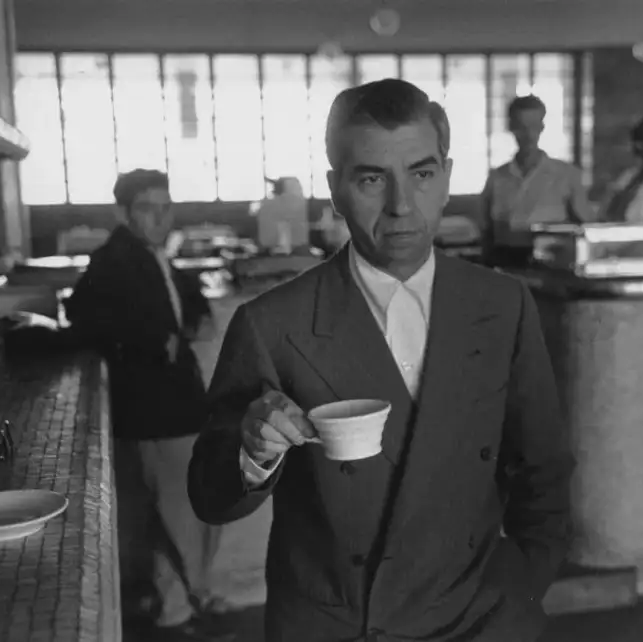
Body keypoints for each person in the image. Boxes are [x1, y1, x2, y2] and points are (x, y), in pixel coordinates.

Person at [189, 79, 575, 642]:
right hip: (339, 624)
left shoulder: (502, 304)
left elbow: (544, 468)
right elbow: (209, 496)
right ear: (336, 189)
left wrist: (523, 594)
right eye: (371, 179)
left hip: (480, 618)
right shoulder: (274, 324)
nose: (400, 206)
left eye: (420, 174)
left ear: (445, 177)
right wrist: (253, 452)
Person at [65, 169, 232, 641]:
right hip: (155, 411)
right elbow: (83, 316)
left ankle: (179, 608)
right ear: (124, 213)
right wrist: (153, 342)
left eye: (166, 207)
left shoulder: (150, 254)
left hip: (176, 405)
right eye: (147, 209)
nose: (160, 217)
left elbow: (187, 301)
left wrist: (189, 322)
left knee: (177, 513)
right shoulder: (115, 259)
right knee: (183, 515)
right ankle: (185, 611)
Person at [480, 94, 595, 265]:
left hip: (553, 262)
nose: (528, 135)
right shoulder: (497, 177)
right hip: (505, 261)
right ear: (511, 127)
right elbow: (486, 230)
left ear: (542, 126)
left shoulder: (566, 174)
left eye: (533, 126)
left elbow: (586, 225)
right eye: (521, 127)